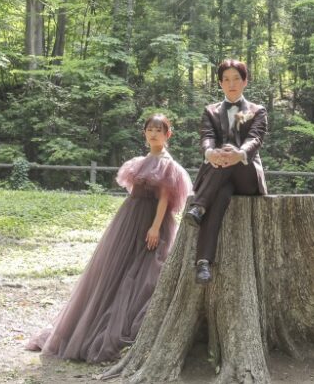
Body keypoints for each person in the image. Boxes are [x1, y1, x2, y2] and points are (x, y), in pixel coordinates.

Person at [25, 114, 192, 363]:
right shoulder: (140, 162)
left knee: (146, 272)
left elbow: (165, 200)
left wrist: (155, 228)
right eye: (150, 129)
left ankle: (131, 327)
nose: (153, 134)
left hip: (152, 223)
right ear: (144, 133)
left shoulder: (168, 165)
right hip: (129, 221)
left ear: (168, 135)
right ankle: (91, 324)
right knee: (115, 270)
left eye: (159, 130)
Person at [184, 59, 268, 284]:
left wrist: (239, 154)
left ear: (245, 82)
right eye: (226, 80)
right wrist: (210, 152)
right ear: (220, 83)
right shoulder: (210, 111)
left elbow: (255, 138)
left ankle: (199, 206)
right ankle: (203, 263)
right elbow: (207, 137)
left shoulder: (257, 111)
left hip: (246, 174)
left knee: (230, 157)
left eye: (236, 79)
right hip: (219, 175)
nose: (232, 84)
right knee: (221, 194)